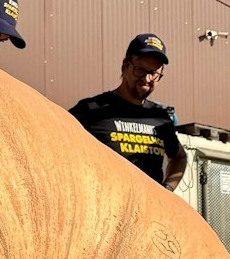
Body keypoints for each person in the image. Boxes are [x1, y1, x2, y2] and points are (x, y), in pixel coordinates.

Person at [68, 34, 188, 190]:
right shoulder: (90, 109)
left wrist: (167, 190)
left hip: (148, 210)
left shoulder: (161, 118)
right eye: (140, 70)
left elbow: (179, 157)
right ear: (125, 66)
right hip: (103, 206)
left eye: (154, 73)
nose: (146, 79)